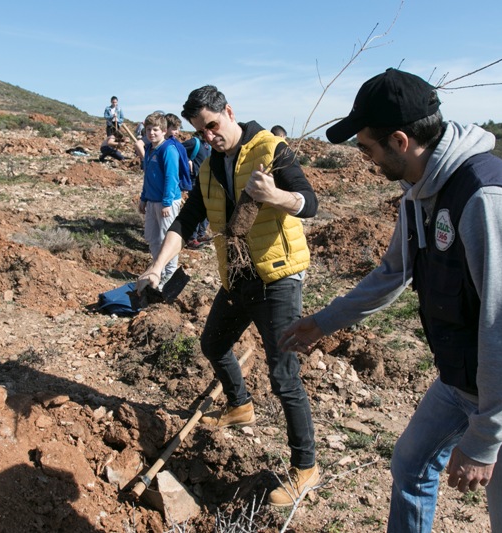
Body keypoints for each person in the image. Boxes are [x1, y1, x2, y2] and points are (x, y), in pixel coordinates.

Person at [280, 68, 502, 532]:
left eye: (367, 148)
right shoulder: (419, 192)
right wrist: (324, 322)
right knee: (411, 467)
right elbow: (394, 271)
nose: (366, 160)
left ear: (399, 141)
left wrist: (485, 439)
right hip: (460, 380)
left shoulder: (486, 199)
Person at [135, 85, 320, 507]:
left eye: (214, 126)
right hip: (237, 278)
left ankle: (306, 468)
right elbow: (186, 221)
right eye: (201, 131)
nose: (210, 136)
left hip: (278, 278)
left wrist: (276, 196)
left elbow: (310, 203)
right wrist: (155, 266)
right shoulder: (208, 165)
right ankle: (240, 405)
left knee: (283, 374)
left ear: (229, 112)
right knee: (213, 343)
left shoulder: (271, 149)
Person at [138, 112, 182, 285]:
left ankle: (169, 275)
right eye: (148, 129)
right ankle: (159, 269)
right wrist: (143, 197)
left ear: (164, 130)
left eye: (155, 129)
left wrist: (166, 202)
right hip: (152, 200)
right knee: (152, 237)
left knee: (167, 239)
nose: (151, 133)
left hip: (166, 202)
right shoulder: (149, 149)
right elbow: (147, 175)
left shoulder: (168, 150)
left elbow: (172, 178)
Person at [163, 113, 211, 250]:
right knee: (195, 209)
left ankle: (201, 233)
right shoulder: (194, 142)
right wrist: (187, 161)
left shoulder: (209, 145)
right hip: (195, 181)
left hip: (206, 180)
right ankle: (191, 238)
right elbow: (179, 151)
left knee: (206, 209)